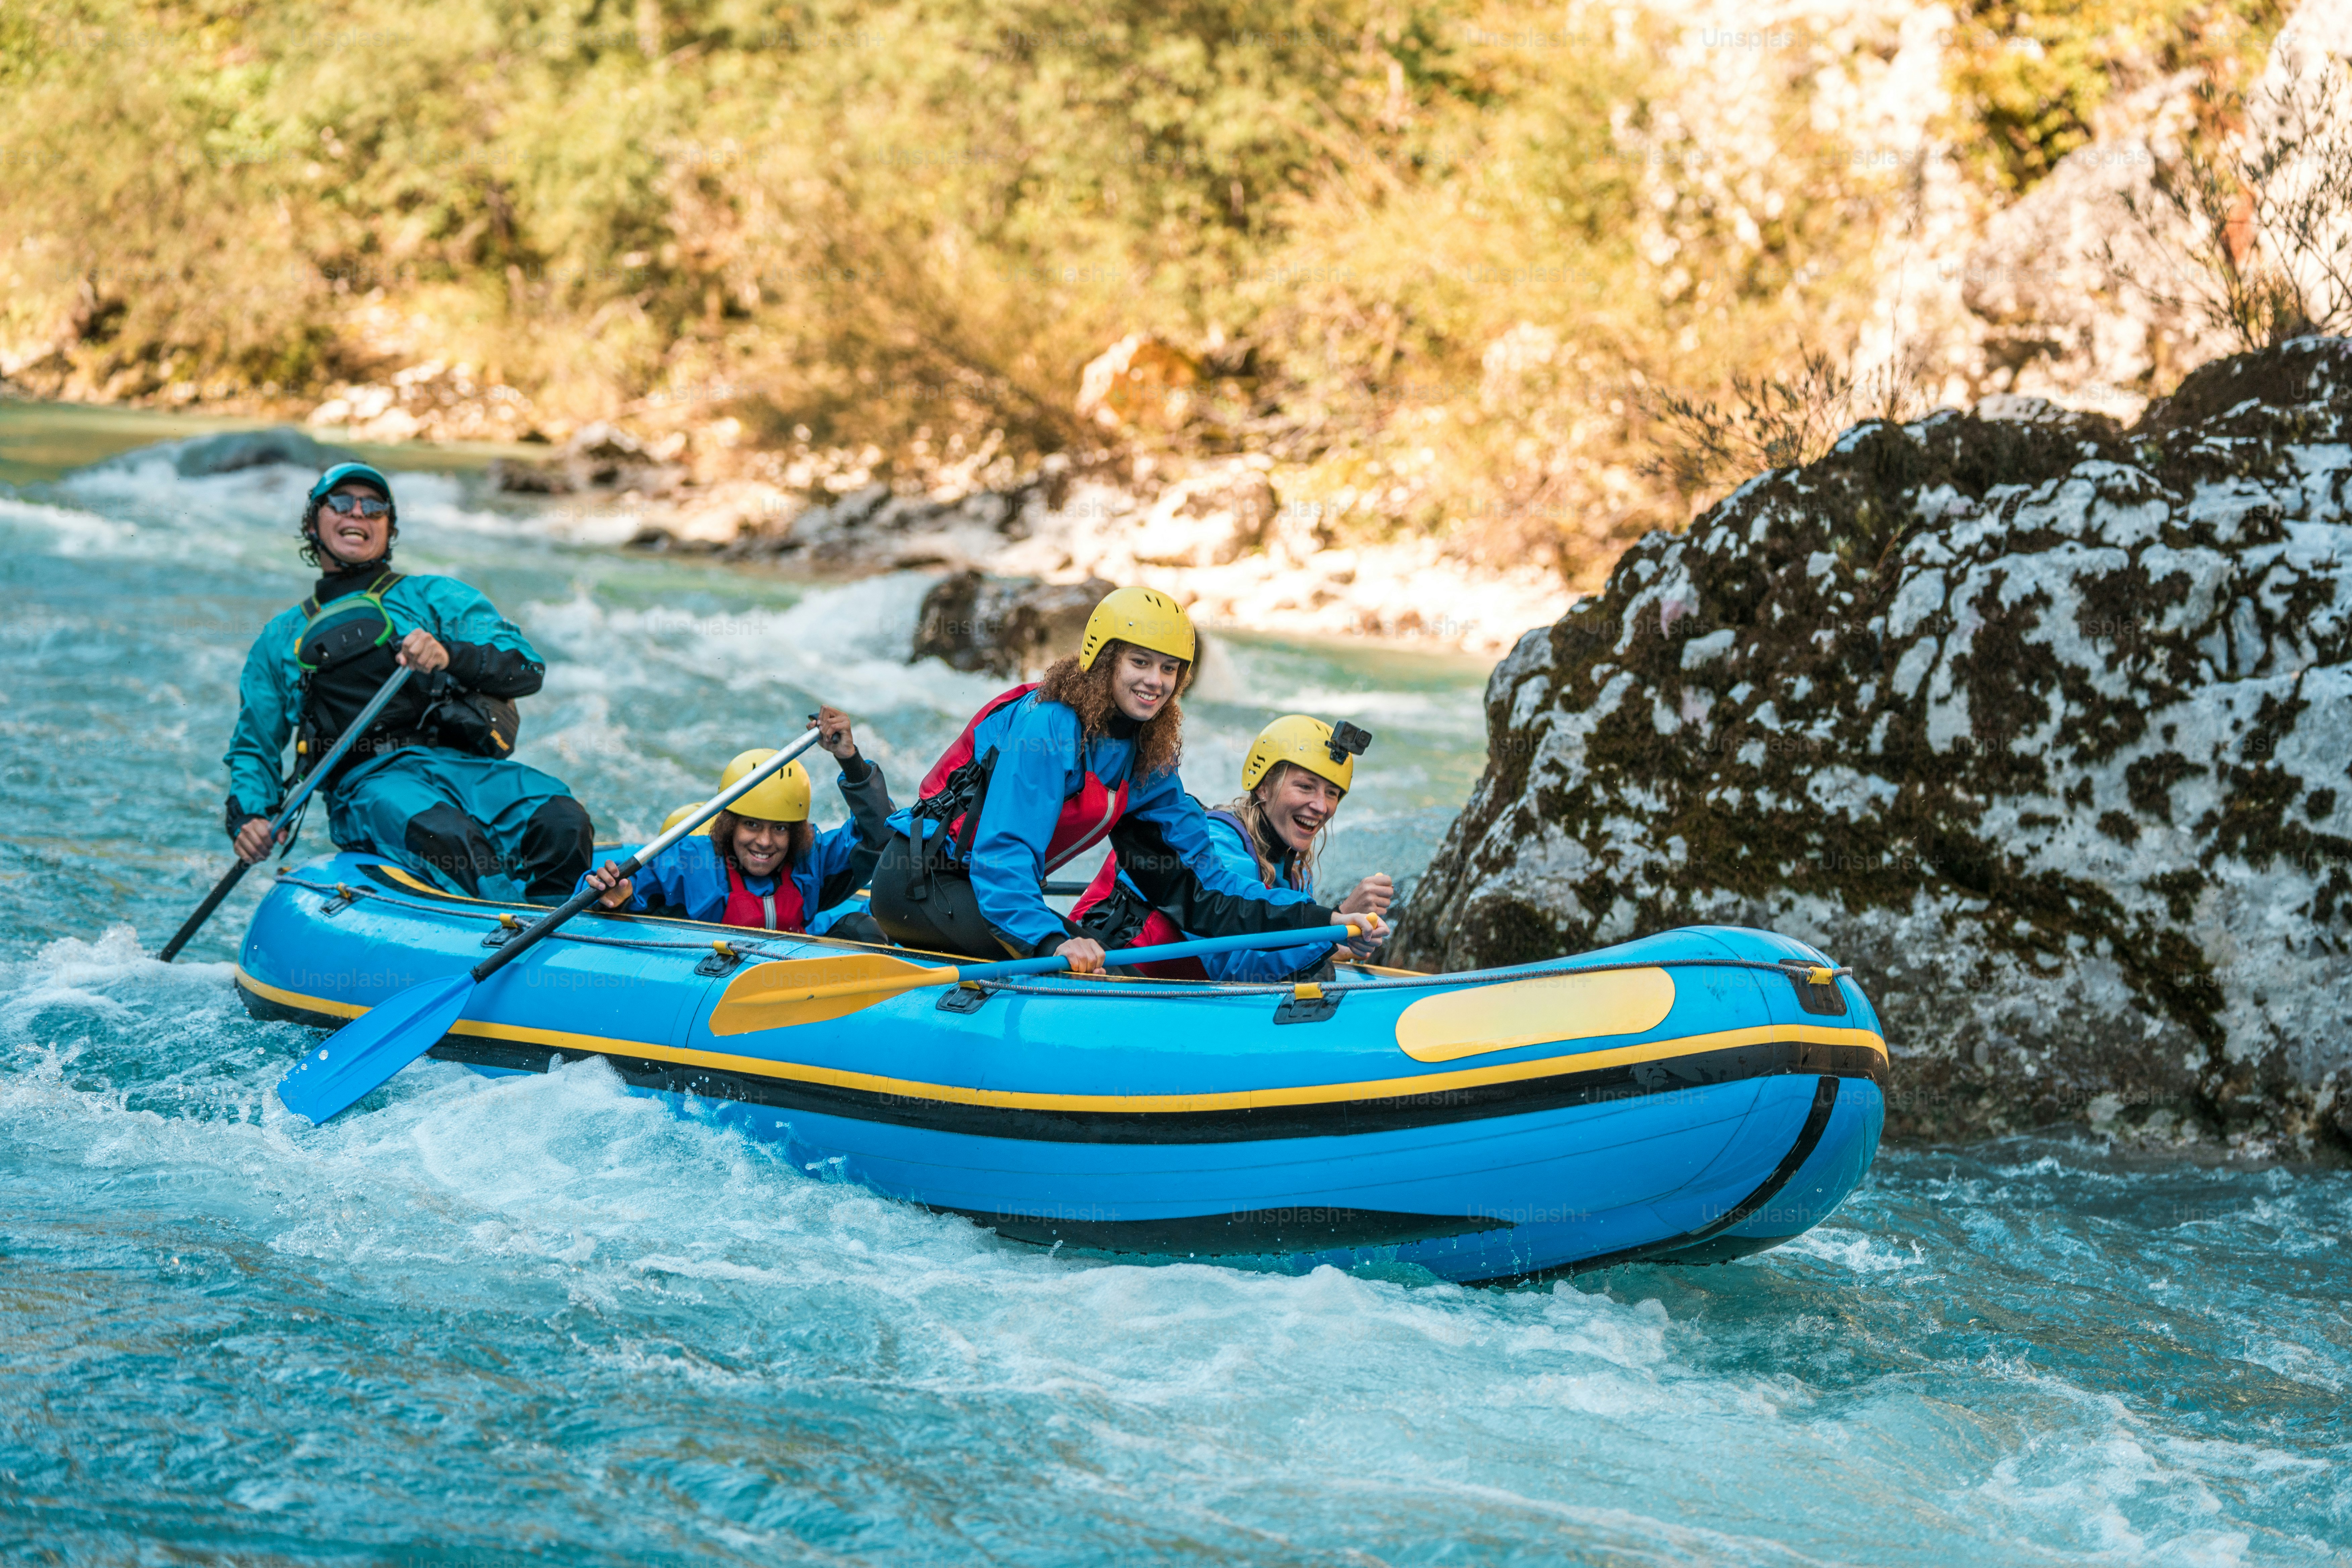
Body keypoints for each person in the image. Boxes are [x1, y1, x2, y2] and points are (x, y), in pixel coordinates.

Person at [868, 586, 1378, 972]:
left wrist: (1319, 919)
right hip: (922, 883)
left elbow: (1207, 891)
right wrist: (1051, 942)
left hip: (986, 897)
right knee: (1080, 971)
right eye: (1140, 662)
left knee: (1100, 965)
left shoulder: (1147, 757)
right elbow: (1003, 855)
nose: (1155, 682)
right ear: (1104, 659)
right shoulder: (1048, 725)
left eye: (1169, 669)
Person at [224, 463, 593, 900]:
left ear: (389, 527)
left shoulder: (435, 597)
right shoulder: (282, 637)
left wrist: (449, 654)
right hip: (367, 785)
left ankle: (557, 940)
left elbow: (526, 669)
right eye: (342, 502)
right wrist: (250, 817)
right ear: (313, 522)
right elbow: (255, 746)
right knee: (446, 837)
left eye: (375, 506)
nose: (358, 513)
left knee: (562, 820)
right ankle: (503, 930)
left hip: (462, 767)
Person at [1073, 715, 1391, 979]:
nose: (1321, 806)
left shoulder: (1289, 865)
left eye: (1333, 793)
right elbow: (1234, 969)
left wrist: (1341, 937)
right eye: (1305, 787)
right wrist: (1333, 924)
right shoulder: (1221, 847)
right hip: (1108, 970)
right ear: (1264, 787)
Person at [578, 706, 893, 934]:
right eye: (752, 825)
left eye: (780, 828)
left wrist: (850, 761)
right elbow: (607, 887)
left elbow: (880, 835)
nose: (766, 842)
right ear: (730, 825)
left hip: (793, 978)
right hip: (707, 983)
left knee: (863, 931)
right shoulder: (689, 862)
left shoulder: (811, 858)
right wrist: (614, 896)